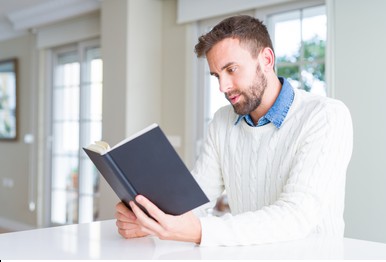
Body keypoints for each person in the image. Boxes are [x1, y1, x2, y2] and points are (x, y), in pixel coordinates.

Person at [115, 15, 353, 246]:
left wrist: (199, 230)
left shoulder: (325, 116)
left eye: (232, 69)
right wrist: (147, 218)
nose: (223, 87)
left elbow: (296, 216)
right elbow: (196, 199)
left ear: (267, 60)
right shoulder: (222, 121)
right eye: (217, 75)